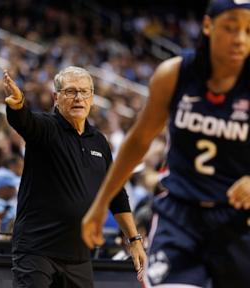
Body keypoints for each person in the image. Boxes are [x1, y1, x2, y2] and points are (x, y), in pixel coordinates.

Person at [82, 1, 250, 287]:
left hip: (237, 218)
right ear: (208, 26)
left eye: (248, 31)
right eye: (231, 28)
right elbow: (138, 141)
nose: (240, 39)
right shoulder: (174, 74)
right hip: (181, 215)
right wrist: (100, 205)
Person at [4, 66, 146, 287]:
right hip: (38, 251)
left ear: (92, 98)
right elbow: (25, 121)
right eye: (70, 91)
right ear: (56, 97)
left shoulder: (99, 141)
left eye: (84, 92)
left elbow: (116, 193)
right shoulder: (46, 128)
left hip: (79, 255)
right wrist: (17, 103)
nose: (78, 97)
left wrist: (134, 240)